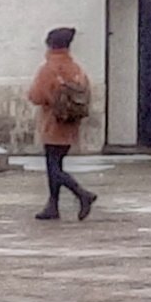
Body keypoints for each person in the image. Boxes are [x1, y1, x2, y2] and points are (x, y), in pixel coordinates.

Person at [26, 25, 98, 221]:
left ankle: (82, 194)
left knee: (54, 166)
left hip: (53, 122)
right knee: (56, 163)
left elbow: (35, 96)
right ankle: (53, 205)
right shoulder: (76, 69)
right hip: (70, 122)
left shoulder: (48, 69)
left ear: (50, 45)